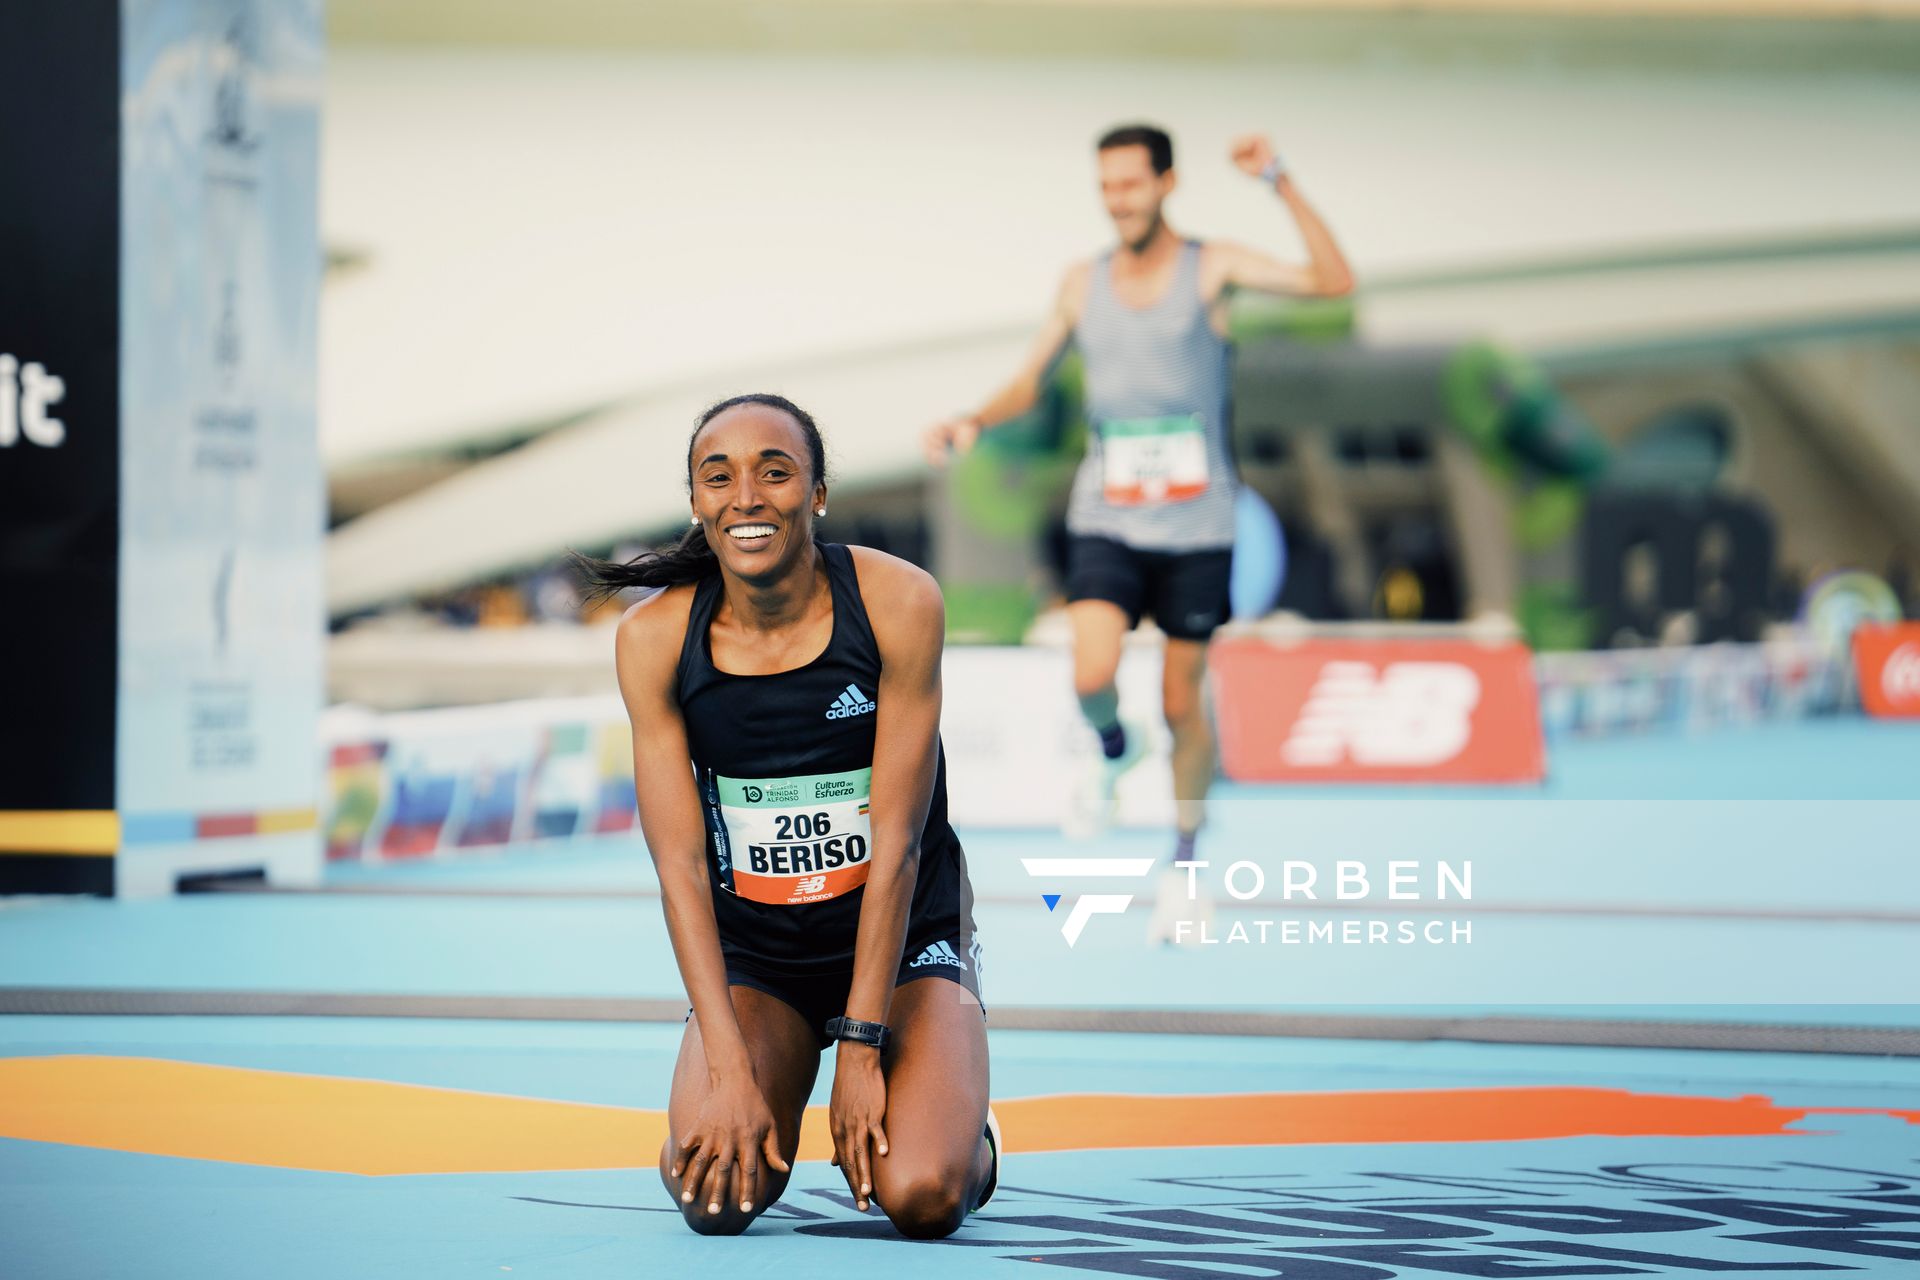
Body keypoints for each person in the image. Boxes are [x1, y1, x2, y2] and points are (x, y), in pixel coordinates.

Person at [924, 124, 1354, 942]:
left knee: (1181, 702)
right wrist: (972, 418)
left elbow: (1333, 280)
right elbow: (1028, 378)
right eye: (1107, 186)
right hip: (1108, 517)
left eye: (1132, 183)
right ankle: (1113, 748)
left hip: (1198, 526)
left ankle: (1186, 863)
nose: (1118, 199)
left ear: (1166, 183)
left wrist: (1281, 181)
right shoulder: (1080, 283)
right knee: (1091, 671)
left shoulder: (1214, 266)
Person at [583, 393, 996, 1238]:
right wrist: (730, 1068)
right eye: (718, 476)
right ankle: (771, 1076)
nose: (747, 497)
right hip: (762, 956)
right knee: (710, 1196)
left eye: (775, 472)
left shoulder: (897, 602)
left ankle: (970, 1137)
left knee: (920, 1194)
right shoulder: (653, 639)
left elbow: (899, 847)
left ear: (815, 493)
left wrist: (862, 1044)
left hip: (904, 940)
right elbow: (681, 868)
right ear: (696, 502)